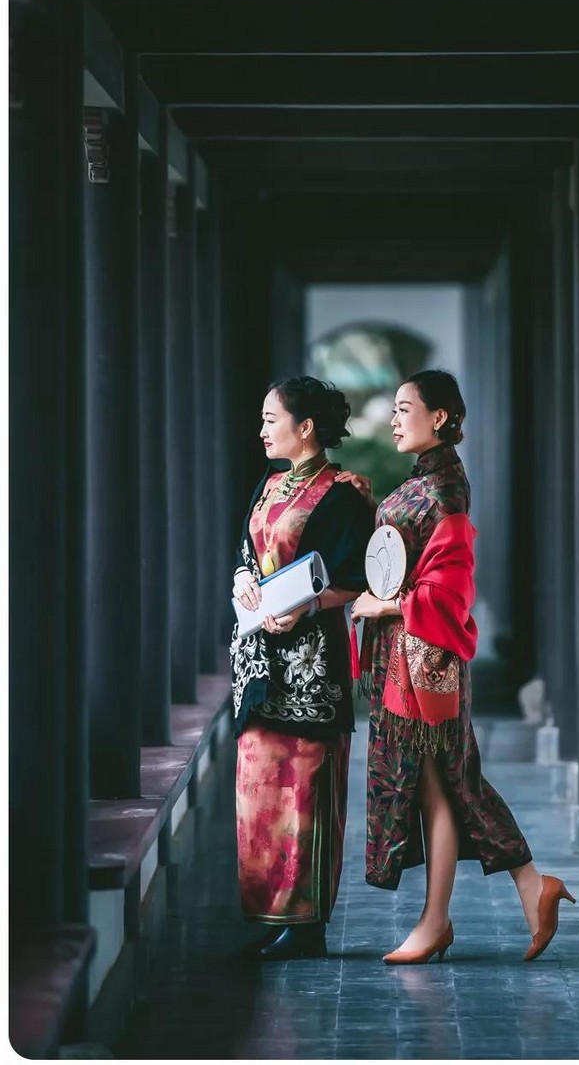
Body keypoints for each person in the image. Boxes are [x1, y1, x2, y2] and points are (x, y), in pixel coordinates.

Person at [341, 369, 575, 964]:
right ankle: (527, 888)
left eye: (404, 408)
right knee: (449, 782)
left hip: (424, 664)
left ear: (439, 416)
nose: (394, 419)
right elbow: (405, 550)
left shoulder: (445, 490)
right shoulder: (427, 480)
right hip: (409, 658)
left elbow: (451, 591)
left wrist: (386, 605)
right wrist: (368, 503)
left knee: (440, 784)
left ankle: (438, 920)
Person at [230, 376, 375, 960]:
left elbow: (357, 578)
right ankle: (269, 912)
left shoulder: (342, 494)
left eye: (272, 419)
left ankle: (306, 922)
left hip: (311, 664)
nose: (263, 430)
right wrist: (244, 581)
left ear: (306, 426)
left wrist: (309, 607)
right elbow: (246, 551)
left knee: (304, 792)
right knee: (257, 788)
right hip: (260, 660)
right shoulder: (267, 485)